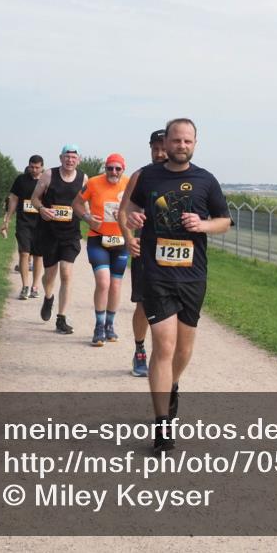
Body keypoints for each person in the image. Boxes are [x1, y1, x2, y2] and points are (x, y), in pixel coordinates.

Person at [122, 119, 231, 453]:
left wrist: (203, 224)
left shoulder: (206, 180)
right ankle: (162, 425)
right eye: (176, 140)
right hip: (156, 275)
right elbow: (129, 207)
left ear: (195, 143)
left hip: (192, 275)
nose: (181, 145)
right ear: (165, 143)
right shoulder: (148, 175)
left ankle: (171, 384)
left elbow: (224, 221)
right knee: (164, 347)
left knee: (183, 351)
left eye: (187, 141)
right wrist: (133, 219)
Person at [119, 129, 168, 377]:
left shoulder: (184, 176)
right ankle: (139, 349)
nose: (159, 153)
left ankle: (164, 355)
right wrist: (129, 239)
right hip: (145, 251)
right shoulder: (141, 176)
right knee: (143, 303)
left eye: (163, 147)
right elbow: (123, 211)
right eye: (154, 148)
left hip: (175, 253)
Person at [74, 153, 130, 347]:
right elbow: (77, 203)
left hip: (121, 241)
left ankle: (110, 325)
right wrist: (87, 218)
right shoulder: (94, 183)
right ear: (105, 168)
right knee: (103, 282)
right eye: (110, 168)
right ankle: (98, 326)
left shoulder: (131, 184)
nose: (113, 172)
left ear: (123, 169)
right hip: (98, 239)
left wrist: (127, 214)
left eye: (117, 168)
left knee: (115, 285)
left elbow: (140, 209)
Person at [31, 144, 87, 335]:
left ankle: (61, 318)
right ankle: (48, 297)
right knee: (50, 275)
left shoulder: (83, 178)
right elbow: (34, 198)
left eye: (73, 157)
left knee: (66, 273)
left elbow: (85, 204)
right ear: (60, 158)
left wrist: (90, 216)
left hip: (71, 233)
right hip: (49, 233)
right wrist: (42, 209)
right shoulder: (48, 175)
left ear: (78, 160)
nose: (70, 160)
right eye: (67, 156)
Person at [0, 157, 45, 300]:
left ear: (42, 167)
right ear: (28, 166)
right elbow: (13, 199)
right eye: (32, 167)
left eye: (37, 167)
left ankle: (35, 286)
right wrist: (7, 218)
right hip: (24, 222)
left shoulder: (47, 180)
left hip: (41, 223)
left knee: (38, 256)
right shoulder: (21, 180)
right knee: (24, 253)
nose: (34, 170)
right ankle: (25, 286)